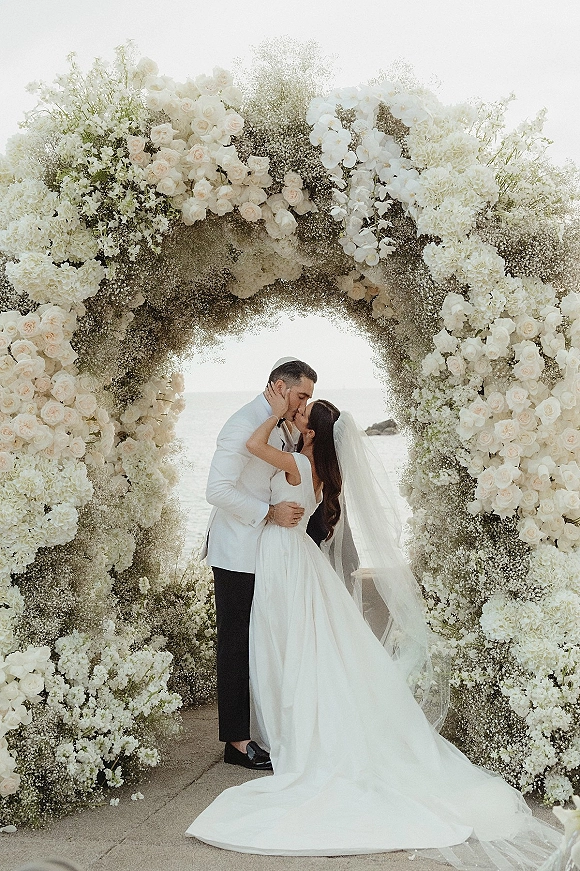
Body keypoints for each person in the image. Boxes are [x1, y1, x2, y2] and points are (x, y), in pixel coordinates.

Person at [187, 385, 561, 867]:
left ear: (313, 434)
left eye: (302, 413)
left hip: (283, 558)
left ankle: (283, 722)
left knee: (284, 639)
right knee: (303, 640)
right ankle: (277, 720)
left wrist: (275, 412)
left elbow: (253, 449)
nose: (295, 413)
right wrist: (283, 421)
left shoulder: (300, 465)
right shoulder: (315, 469)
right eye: (295, 405)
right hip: (293, 558)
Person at [202, 358, 317, 770]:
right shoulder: (241, 424)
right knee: (235, 643)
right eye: (301, 394)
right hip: (237, 550)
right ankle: (236, 741)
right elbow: (217, 489)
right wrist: (267, 513)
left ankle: (267, 725)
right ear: (278, 386)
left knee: (262, 641)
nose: (305, 402)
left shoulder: (282, 425)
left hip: (269, 554)